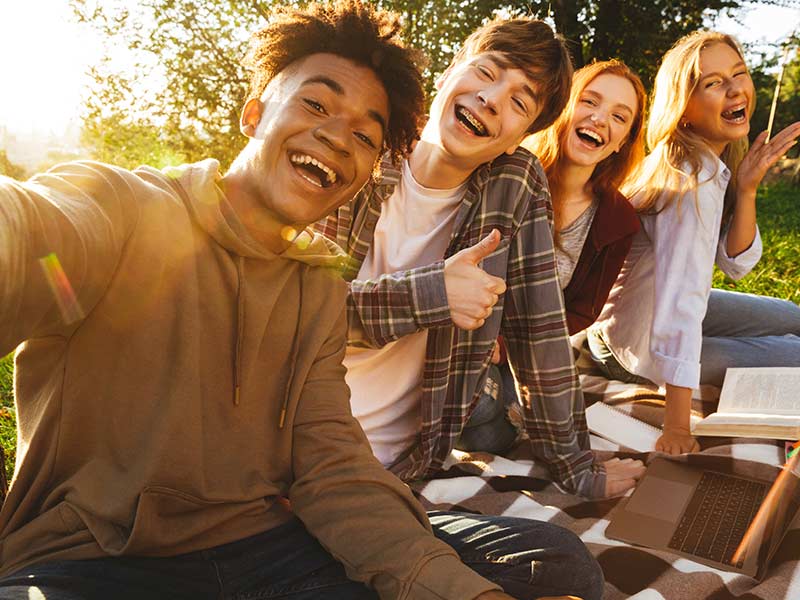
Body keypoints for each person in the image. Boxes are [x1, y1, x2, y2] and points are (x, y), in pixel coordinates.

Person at [0, 2, 605, 599]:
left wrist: (570, 476)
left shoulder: (312, 286)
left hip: (275, 539)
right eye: (316, 104)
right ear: (254, 112)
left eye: (365, 134)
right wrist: (429, 294)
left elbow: (333, 470)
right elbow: (31, 235)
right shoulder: (122, 207)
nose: (338, 137)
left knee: (557, 563)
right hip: (97, 560)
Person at [317, 17, 644, 499]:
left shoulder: (513, 184)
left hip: (389, 465)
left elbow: (540, 332)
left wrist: (576, 466)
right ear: (451, 71)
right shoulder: (359, 143)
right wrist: (432, 293)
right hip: (290, 441)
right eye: (488, 74)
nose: (492, 100)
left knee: (563, 565)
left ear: (522, 135)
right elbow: (289, 313)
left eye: (519, 102)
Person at [588, 30, 800, 455]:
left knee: (794, 316)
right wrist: (677, 427)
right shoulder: (690, 179)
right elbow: (678, 306)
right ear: (684, 109)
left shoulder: (707, 160)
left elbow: (735, 263)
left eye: (737, 74)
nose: (735, 88)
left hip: (653, 314)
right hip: (636, 344)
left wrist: (748, 190)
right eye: (713, 83)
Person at [524, 59, 645, 333]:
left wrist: (504, 350)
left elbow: (581, 313)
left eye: (619, 116)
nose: (600, 119)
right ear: (564, 104)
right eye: (590, 101)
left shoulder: (619, 220)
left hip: (525, 352)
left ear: (622, 141)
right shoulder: (508, 171)